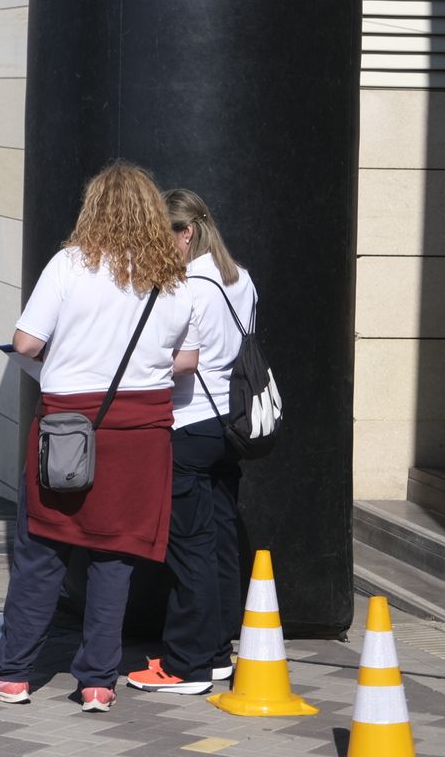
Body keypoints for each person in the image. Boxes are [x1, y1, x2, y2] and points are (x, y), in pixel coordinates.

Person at [0, 162, 194, 714]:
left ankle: (13, 674)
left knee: (42, 550)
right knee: (115, 558)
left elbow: (25, 343)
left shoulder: (70, 264)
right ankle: (97, 681)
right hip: (142, 436)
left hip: (70, 428)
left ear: (93, 208)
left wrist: (69, 357)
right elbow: (185, 361)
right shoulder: (173, 278)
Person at [125, 189, 255, 695]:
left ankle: (187, 664)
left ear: (186, 233)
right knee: (221, 539)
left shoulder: (184, 286)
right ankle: (218, 651)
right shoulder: (240, 278)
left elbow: (186, 358)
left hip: (189, 423)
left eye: (164, 236)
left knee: (189, 548)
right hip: (231, 425)